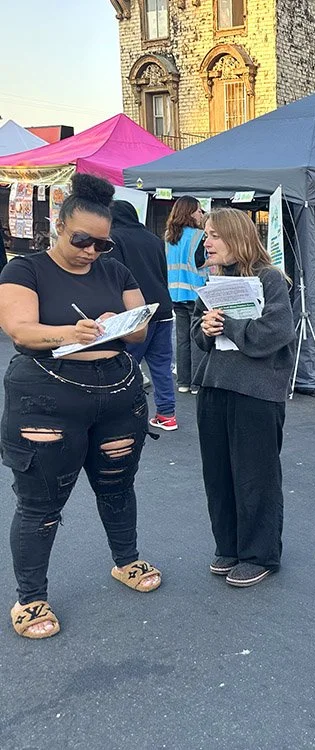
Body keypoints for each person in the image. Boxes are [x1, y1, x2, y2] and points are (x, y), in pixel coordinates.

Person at [0, 174, 161, 640]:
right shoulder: (24, 270)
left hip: (116, 393)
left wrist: (118, 323)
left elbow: (139, 331)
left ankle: (125, 561)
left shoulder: (116, 271)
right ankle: (31, 598)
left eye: (101, 244)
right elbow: (20, 330)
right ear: (59, 225)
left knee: (117, 486)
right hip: (47, 399)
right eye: (82, 240)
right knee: (40, 504)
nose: (91, 251)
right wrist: (71, 332)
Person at [192, 208, 296, 588]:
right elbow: (197, 336)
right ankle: (229, 545)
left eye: (215, 234)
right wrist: (205, 327)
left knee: (256, 476)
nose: (207, 241)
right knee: (218, 474)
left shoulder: (270, 278)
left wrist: (231, 326)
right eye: (206, 234)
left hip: (256, 391)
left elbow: (275, 332)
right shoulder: (214, 279)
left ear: (237, 237)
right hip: (215, 385)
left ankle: (259, 553)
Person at [109, 200, 177, 430]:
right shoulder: (154, 239)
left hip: (135, 312)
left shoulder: (114, 239)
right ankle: (167, 414)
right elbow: (162, 273)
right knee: (161, 365)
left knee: (125, 363)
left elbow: (115, 276)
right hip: (163, 308)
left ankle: (122, 413)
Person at [165, 196, 207, 395]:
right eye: (199, 210)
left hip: (175, 293)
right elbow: (199, 262)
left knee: (182, 339)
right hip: (196, 293)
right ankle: (197, 383)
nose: (201, 214)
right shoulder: (199, 236)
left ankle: (183, 381)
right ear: (190, 212)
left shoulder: (169, 237)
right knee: (198, 337)